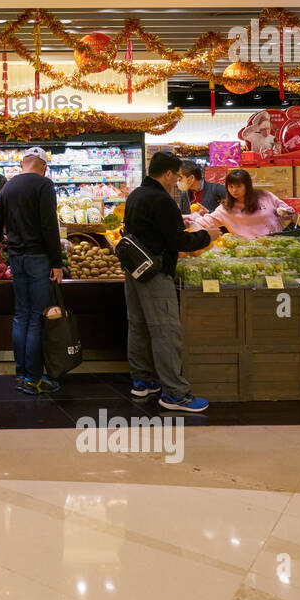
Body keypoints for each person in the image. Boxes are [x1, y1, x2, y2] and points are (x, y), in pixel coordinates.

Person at [122, 152, 213, 412]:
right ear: (169, 174)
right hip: (155, 273)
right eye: (178, 177)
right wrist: (207, 236)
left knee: (138, 326)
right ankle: (175, 393)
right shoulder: (161, 199)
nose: (178, 182)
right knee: (166, 332)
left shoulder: (136, 194)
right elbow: (179, 241)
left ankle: (142, 381)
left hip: (135, 270)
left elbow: (145, 230)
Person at [0, 147, 64, 395]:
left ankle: (21, 372)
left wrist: (1, 241)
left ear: (23, 164)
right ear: (43, 166)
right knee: (36, 316)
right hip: (39, 257)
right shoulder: (43, 186)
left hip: (16, 258)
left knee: (20, 315)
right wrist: (56, 262)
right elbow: (50, 225)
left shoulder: (7, 187)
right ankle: (33, 377)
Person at [188, 168, 295, 239]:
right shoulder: (225, 209)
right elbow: (203, 222)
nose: (234, 190)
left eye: (238, 186)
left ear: (247, 186)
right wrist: (185, 221)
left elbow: (288, 209)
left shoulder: (265, 195)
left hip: (276, 244)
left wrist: (283, 211)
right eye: (231, 187)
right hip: (248, 252)